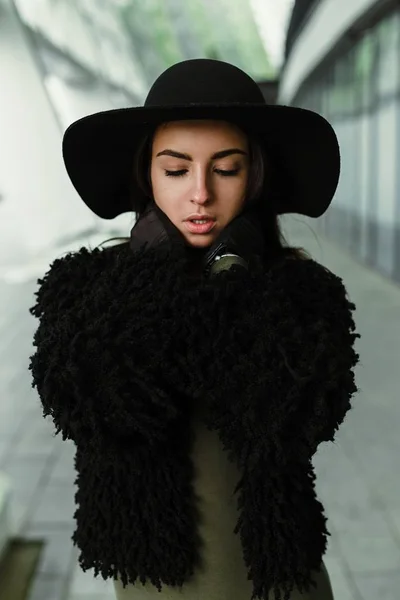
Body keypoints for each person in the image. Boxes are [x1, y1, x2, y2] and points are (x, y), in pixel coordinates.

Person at [29, 59, 359, 600]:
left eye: (226, 169)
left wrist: (235, 270)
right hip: (152, 580)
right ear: (148, 175)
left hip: (277, 578)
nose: (200, 194)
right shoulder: (89, 291)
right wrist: (153, 269)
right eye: (176, 170)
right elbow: (91, 399)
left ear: (255, 178)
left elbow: (303, 410)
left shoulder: (302, 293)